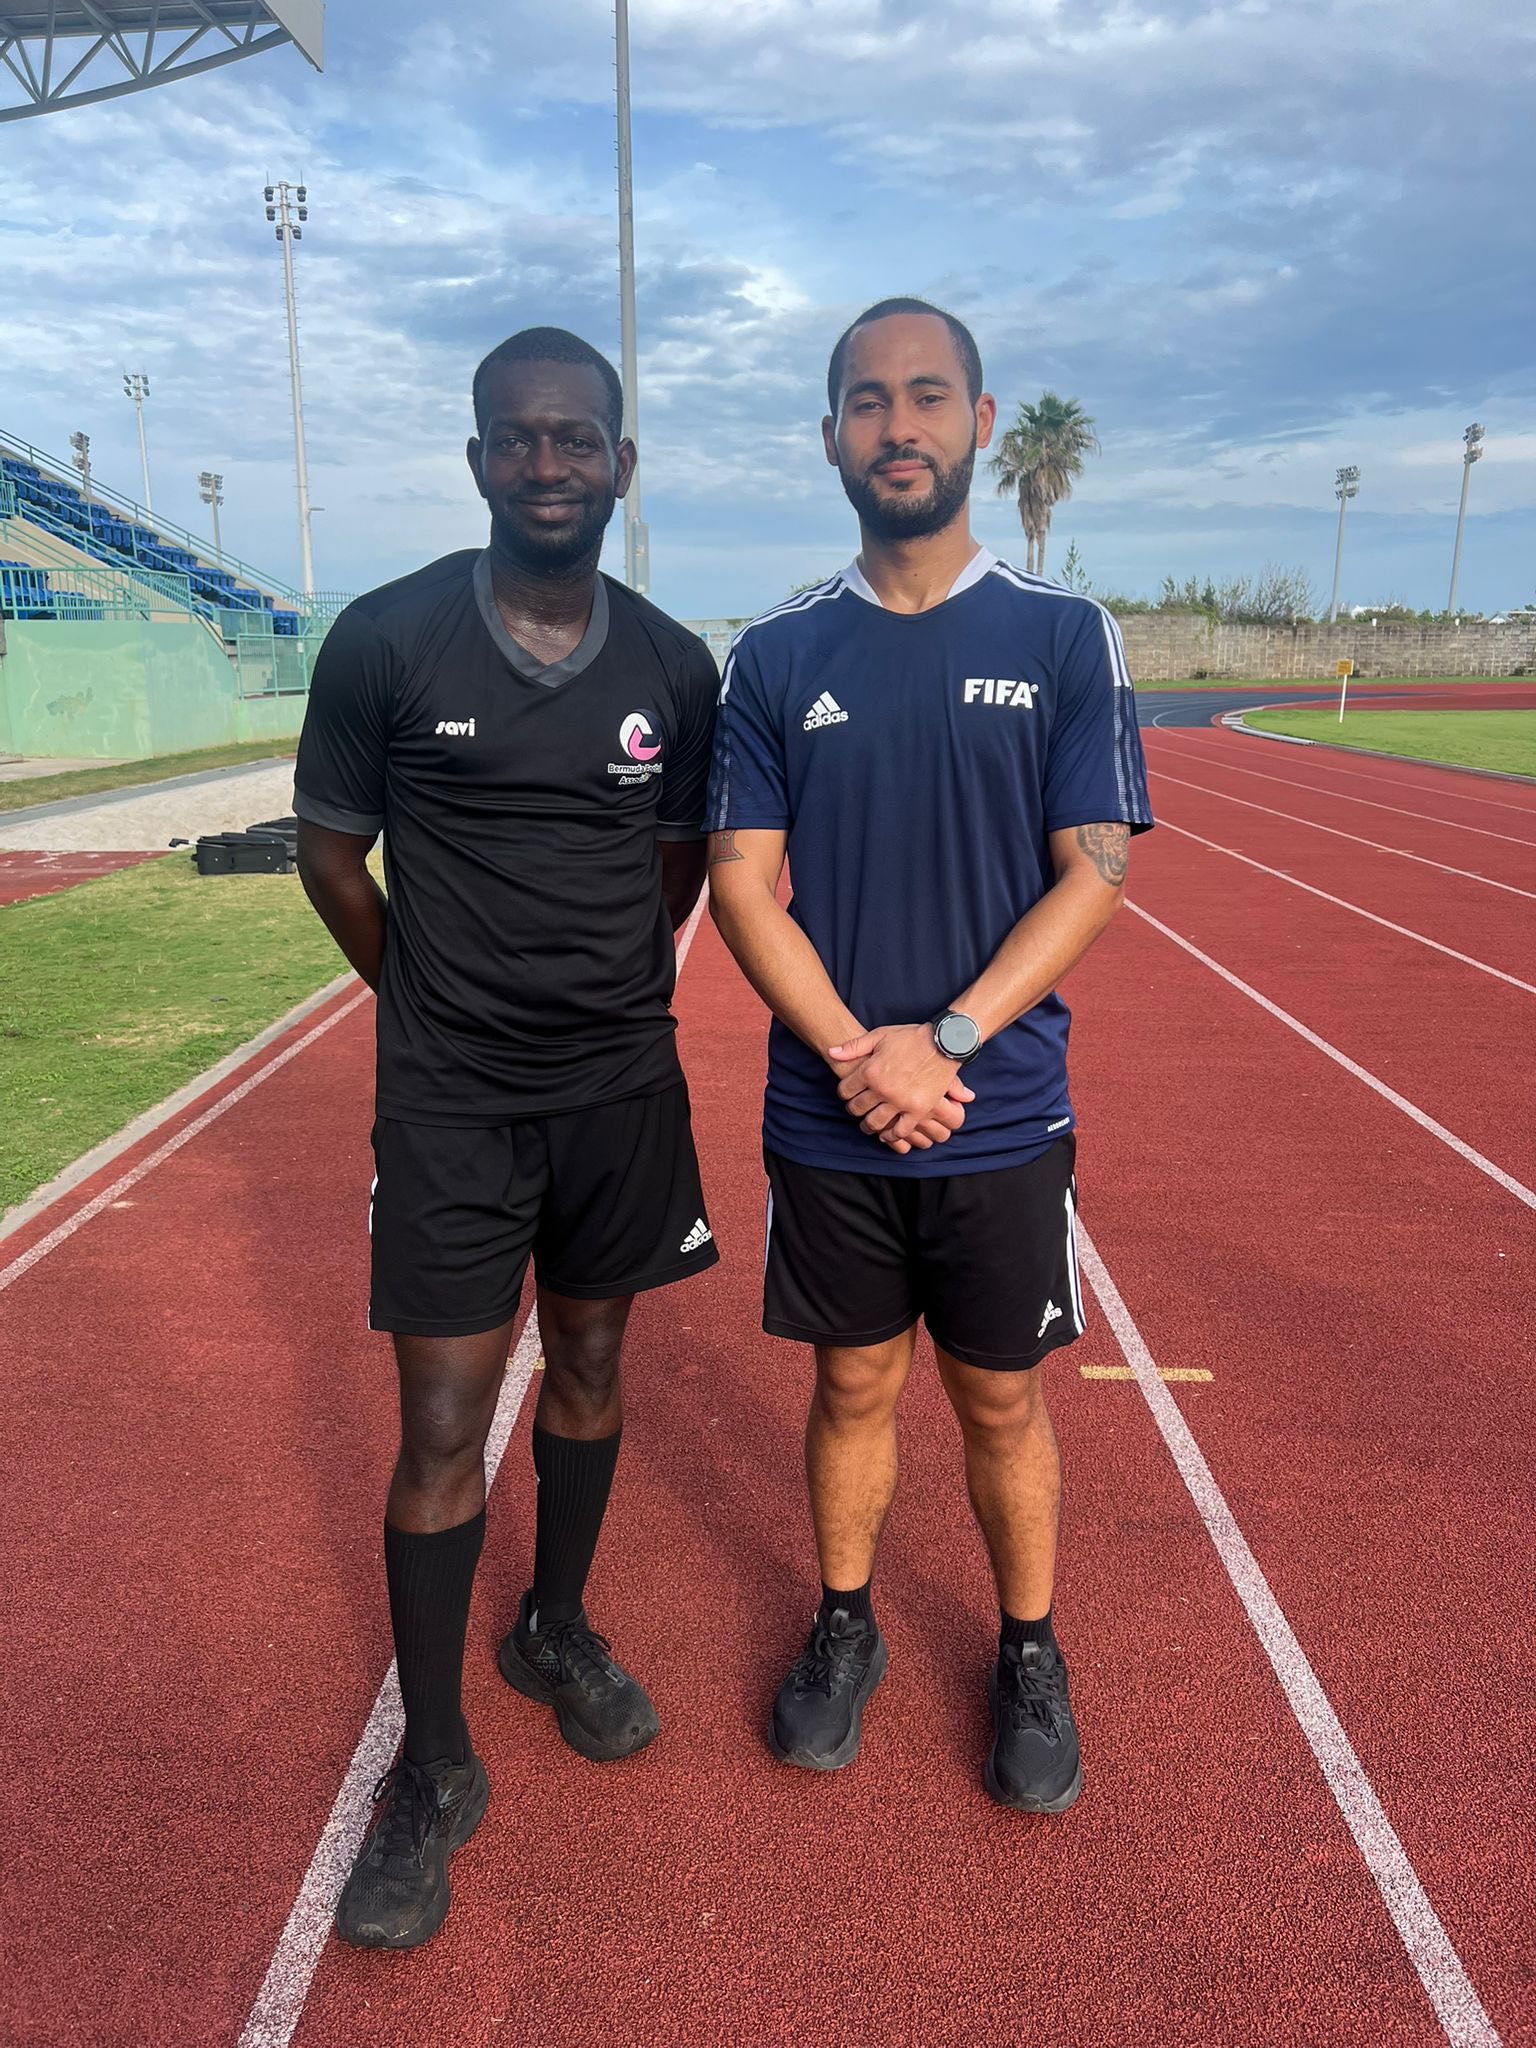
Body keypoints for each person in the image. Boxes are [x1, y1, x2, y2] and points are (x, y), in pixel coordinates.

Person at [293, 327, 720, 1948]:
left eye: (577, 438)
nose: (549, 465)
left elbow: (672, 872)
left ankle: (555, 1623)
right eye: (519, 439)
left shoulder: (674, 666)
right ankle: (436, 1766)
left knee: (595, 1362)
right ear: (479, 460)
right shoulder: (388, 638)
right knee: (442, 1420)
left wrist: (589, 998)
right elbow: (331, 859)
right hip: (453, 1102)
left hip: (618, 1092)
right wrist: (432, 1000)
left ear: (621, 461)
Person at [705, 297, 1152, 1813]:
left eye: (927, 396)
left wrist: (944, 1039)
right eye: (868, 401)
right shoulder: (776, 653)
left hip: (998, 1108)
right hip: (832, 1112)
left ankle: (1029, 1649)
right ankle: (847, 1622)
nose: (898, 426)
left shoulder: (1062, 633)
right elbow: (741, 884)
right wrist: (859, 1056)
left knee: (1001, 1397)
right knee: (850, 1386)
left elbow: (1094, 869)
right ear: (831, 434)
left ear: (978, 420)